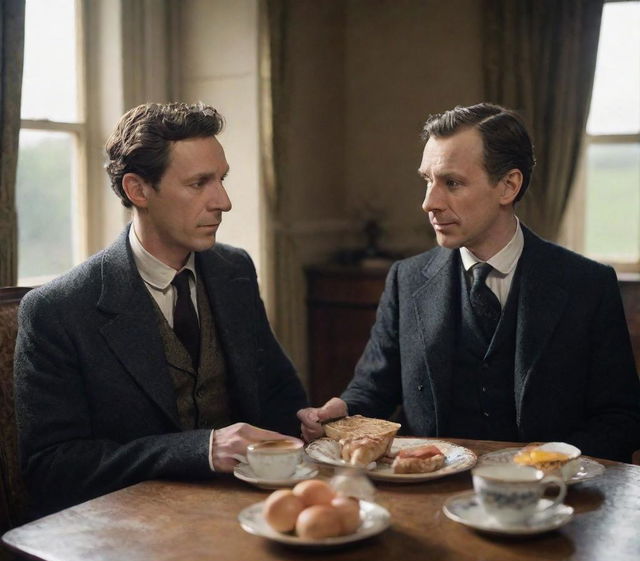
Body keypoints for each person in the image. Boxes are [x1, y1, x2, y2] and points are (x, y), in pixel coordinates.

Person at [299, 103, 640, 462]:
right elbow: (374, 389)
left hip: (547, 501)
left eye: (452, 183)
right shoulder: (406, 278)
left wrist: (548, 466)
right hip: (430, 494)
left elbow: (622, 419)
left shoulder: (587, 284)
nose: (429, 202)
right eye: (427, 181)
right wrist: (342, 409)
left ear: (508, 186)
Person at [15, 102, 307, 519]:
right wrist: (201, 450)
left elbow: (279, 394)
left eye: (221, 180)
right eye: (199, 183)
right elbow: (52, 468)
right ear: (138, 190)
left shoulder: (234, 270)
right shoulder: (57, 310)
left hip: (247, 512)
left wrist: (308, 424)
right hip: (128, 531)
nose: (223, 201)